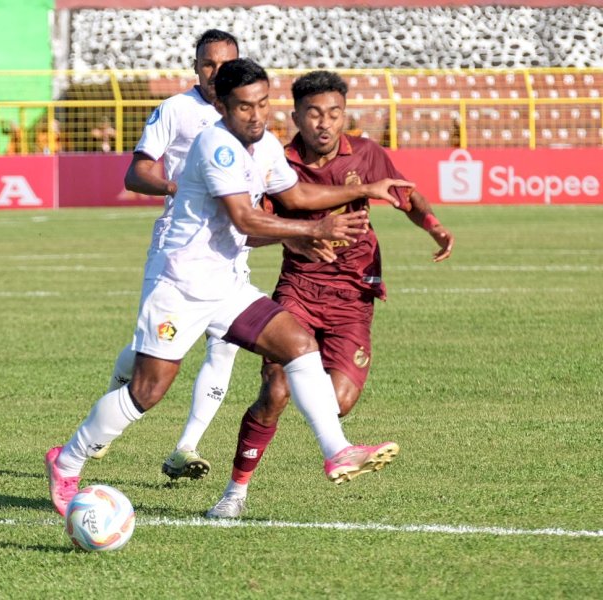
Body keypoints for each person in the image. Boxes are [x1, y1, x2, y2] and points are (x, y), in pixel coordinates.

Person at [45, 58, 413, 518]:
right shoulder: (216, 145)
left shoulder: (266, 146)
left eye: (263, 104)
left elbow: (296, 195)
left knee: (296, 344)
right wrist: (312, 232)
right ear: (221, 105)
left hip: (226, 283)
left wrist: (368, 189)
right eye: (244, 107)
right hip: (180, 285)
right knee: (147, 391)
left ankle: (336, 450)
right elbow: (246, 218)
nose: (257, 116)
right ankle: (68, 460)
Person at [206, 70, 454, 518]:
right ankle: (234, 493)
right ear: (297, 115)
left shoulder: (367, 153)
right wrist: (293, 237)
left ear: (344, 115)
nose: (325, 123)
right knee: (276, 390)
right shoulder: (275, 161)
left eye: (334, 113)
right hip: (299, 288)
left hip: (354, 294)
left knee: (338, 402)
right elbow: (250, 228)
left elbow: (405, 195)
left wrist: (435, 228)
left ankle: (333, 445)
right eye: (315, 113)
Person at [93, 29, 242, 480]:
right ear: (196, 67)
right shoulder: (176, 110)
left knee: (225, 345)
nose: (216, 73)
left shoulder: (247, 115)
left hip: (230, 247)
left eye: (225, 64)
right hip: (179, 247)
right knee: (151, 352)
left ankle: (186, 446)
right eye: (208, 64)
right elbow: (136, 174)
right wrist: (180, 187)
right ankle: (104, 423)